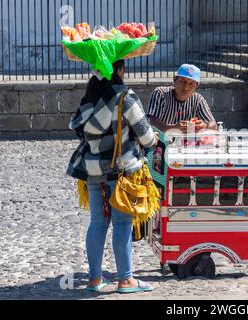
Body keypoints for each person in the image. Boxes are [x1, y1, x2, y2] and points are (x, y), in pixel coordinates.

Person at [66, 60, 157, 293]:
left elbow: (80, 132)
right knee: (122, 224)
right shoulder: (125, 97)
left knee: (97, 224)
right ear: (119, 70)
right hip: (122, 172)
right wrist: (152, 139)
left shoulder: (88, 99)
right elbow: (147, 137)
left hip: (94, 173)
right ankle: (126, 279)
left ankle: (95, 279)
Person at [147, 64, 217, 132]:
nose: (186, 87)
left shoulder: (198, 99)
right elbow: (153, 123)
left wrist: (204, 126)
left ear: (196, 86)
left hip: (186, 142)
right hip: (161, 141)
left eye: (191, 84)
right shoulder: (161, 93)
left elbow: (213, 125)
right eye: (182, 81)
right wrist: (174, 128)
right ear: (175, 80)